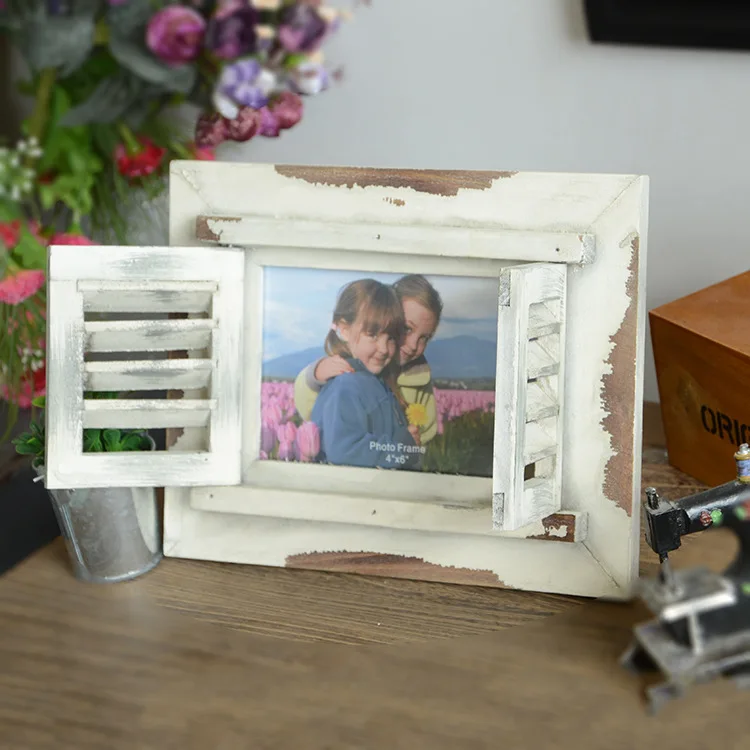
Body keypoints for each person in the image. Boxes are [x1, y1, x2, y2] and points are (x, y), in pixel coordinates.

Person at [294, 274, 443, 443]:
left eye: (424, 338)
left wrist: (413, 445)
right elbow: (309, 411)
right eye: (406, 328)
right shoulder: (352, 365)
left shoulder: (420, 378)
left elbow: (425, 433)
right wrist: (316, 375)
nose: (414, 345)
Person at [309, 279, 422, 469]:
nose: (384, 348)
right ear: (344, 330)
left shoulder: (373, 380)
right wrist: (401, 450)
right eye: (373, 335)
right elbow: (345, 451)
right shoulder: (346, 386)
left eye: (391, 338)